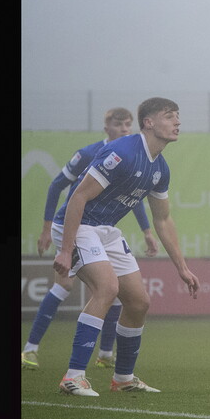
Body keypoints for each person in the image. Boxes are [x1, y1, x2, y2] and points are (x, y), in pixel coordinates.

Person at [52, 97, 200, 396]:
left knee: (139, 302)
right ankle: (73, 377)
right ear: (149, 122)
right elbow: (77, 198)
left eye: (177, 117)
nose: (177, 122)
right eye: (170, 116)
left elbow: (163, 220)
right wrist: (66, 250)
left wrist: (182, 268)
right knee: (107, 288)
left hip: (105, 231)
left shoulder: (161, 169)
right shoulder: (122, 152)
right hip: (78, 225)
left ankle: (123, 378)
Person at [22, 108, 158, 371]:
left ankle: (105, 354)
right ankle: (30, 349)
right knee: (64, 287)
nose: (125, 129)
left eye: (129, 124)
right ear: (107, 126)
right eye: (119, 124)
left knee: (117, 291)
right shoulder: (88, 153)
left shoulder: (133, 155)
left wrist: (147, 231)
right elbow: (56, 186)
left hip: (101, 230)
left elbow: (135, 198)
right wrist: (46, 228)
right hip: (75, 226)